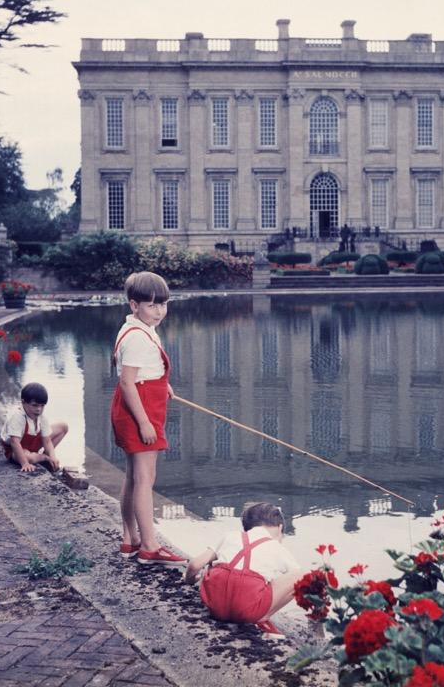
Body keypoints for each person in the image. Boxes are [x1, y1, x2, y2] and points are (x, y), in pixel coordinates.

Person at [111, 271, 186, 566]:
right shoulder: (138, 337)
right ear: (134, 305)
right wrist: (144, 423)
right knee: (145, 479)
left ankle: (130, 539)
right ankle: (150, 547)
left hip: (141, 402)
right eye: (152, 305)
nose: (160, 311)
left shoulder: (139, 328)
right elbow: (128, 382)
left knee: (133, 477)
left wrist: (159, 380)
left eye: (163, 305)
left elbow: (138, 372)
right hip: (139, 409)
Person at [184, 502, 303, 636]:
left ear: (247, 527)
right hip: (247, 611)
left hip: (214, 606)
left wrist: (190, 581)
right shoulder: (277, 547)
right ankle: (263, 617)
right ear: (280, 527)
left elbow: (194, 565)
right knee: (300, 577)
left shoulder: (230, 536)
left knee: (215, 562)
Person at [0, 382, 68, 472]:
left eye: (42, 405)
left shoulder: (41, 416)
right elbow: (14, 443)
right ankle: (43, 457)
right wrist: (25, 463)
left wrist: (53, 457)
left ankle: (47, 459)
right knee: (29, 458)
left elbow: (47, 441)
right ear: (23, 402)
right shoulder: (17, 417)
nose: (39, 409)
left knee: (63, 427)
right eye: (34, 405)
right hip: (16, 449)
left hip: (32, 443)